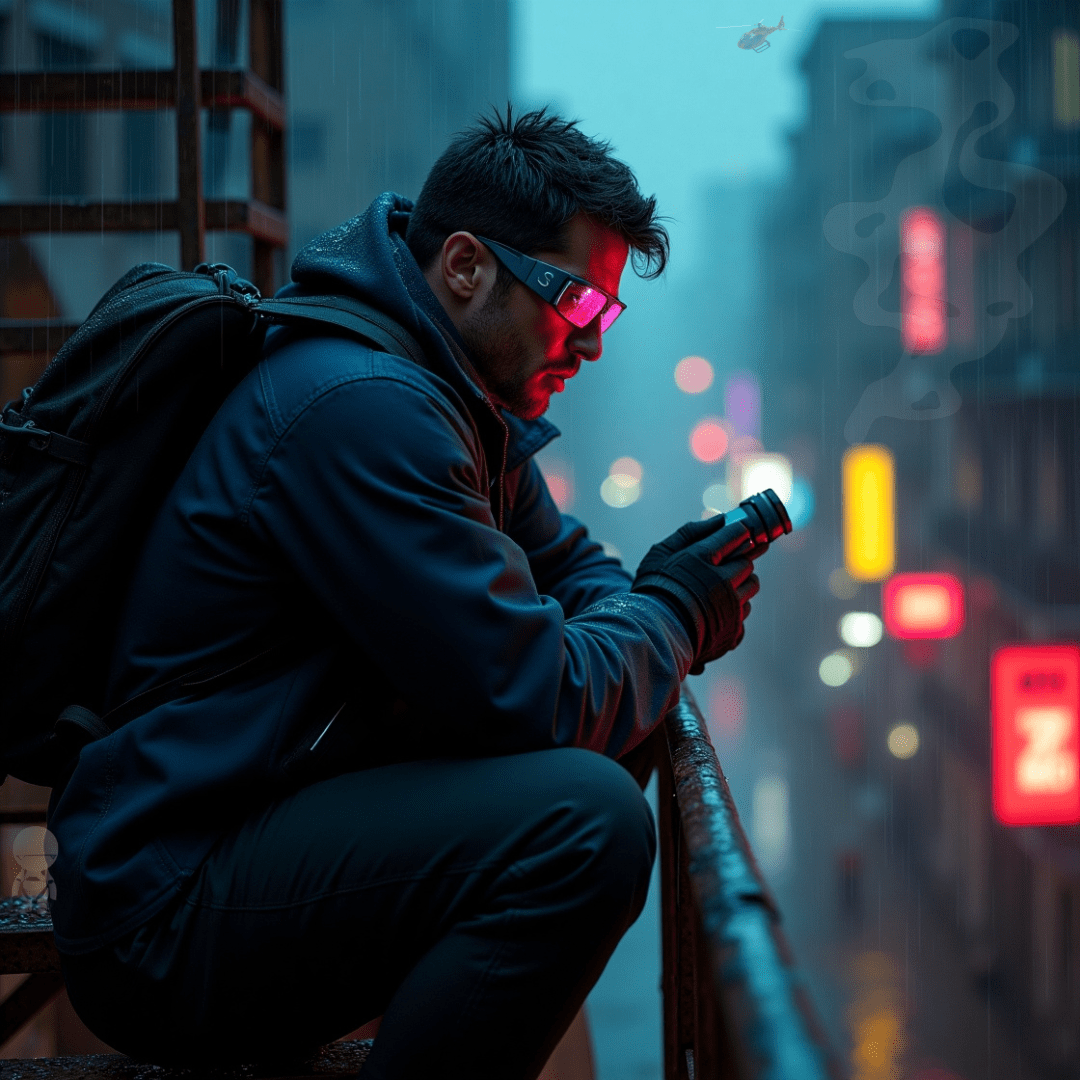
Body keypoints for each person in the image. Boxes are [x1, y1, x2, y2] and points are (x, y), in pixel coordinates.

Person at [48, 108, 759, 1080]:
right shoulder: (366, 411)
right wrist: (671, 613)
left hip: (246, 840)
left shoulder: (449, 395)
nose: (591, 345)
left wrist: (643, 605)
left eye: (609, 317)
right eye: (578, 307)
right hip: (165, 902)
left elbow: (572, 567)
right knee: (585, 823)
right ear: (465, 267)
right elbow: (540, 695)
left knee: (611, 731)